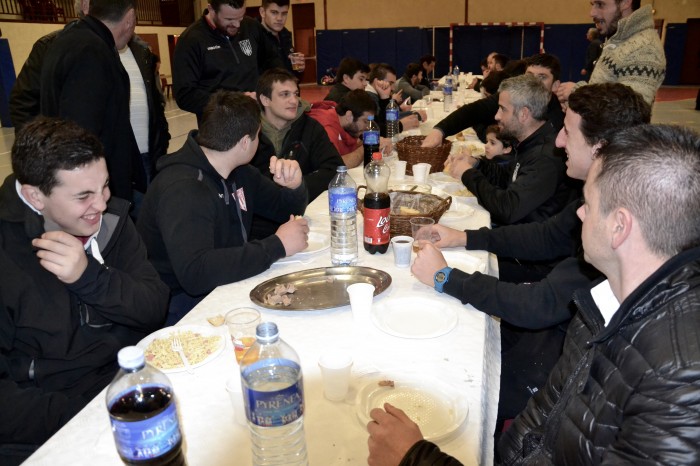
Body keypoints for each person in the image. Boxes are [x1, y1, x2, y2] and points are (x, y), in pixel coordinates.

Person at [371, 124, 700, 465]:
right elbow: (540, 424)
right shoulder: (605, 300)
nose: (579, 213)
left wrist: (414, 458)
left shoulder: (678, 383)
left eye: (588, 203)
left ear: (620, 226)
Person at [411, 82, 651, 433]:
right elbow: (548, 235)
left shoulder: (619, 218)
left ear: (599, 147)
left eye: (567, 133)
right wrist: (465, 237)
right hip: (563, 322)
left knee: (460, 387)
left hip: (572, 357)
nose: (558, 142)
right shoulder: (608, 192)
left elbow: (542, 301)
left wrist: (448, 278)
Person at [0, 117, 168, 465]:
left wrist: (89, 276)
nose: (102, 204)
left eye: (105, 186)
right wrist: (90, 416)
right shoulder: (7, 253)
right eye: (84, 196)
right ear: (35, 195)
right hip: (50, 425)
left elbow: (153, 306)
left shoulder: (109, 222)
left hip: (123, 387)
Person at [136, 91, 309, 324]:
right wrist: (276, 246)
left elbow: (284, 210)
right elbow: (196, 274)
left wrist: (294, 186)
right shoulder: (183, 189)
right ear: (245, 142)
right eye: (258, 135)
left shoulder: (239, 171)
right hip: (180, 307)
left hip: (226, 283)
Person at [39, 0, 142, 204]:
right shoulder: (91, 51)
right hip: (93, 191)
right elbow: (82, 133)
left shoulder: (72, 40)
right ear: (129, 18)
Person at [445, 74, 573, 226]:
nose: (497, 116)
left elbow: (507, 209)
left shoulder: (545, 157)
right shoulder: (529, 142)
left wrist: (468, 174)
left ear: (524, 114)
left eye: (502, 109)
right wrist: (476, 164)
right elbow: (506, 178)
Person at [423, 53, 565, 147]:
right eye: (529, 75)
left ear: (555, 85)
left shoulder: (558, 121)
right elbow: (474, 110)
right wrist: (440, 131)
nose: (533, 81)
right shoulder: (512, 95)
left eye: (541, 77)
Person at [172, 0, 283, 121]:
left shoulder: (251, 26)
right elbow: (185, 95)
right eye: (229, 19)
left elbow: (271, 61)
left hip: (257, 117)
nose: (237, 25)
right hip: (220, 126)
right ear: (211, 9)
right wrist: (234, 101)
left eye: (240, 18)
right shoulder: (190, 41)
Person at [251, 68, 344, 203]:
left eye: (295, 94)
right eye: (285, 94)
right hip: (259, 217)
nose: (294, 101)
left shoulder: (311, 127)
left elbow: (335, 170)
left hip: (304, 210)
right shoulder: (247, 132)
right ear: (265, 100)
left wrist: (297, 186)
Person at [556, 0, 665, 106]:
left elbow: (631, 113)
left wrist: (578, 93)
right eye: (593, 4)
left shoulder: (645, 48)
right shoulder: (618, 38)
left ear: (625, 3)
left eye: (600, 4)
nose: (592, 13)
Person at [9, 0, 88, 132]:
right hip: (68, 143)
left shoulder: (130, 46)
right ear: (86, 7)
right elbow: (23, 103)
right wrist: (42, 145)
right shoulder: (48, 46)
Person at [119, 35, 171, 214]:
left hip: (148, 154)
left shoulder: (141, 52)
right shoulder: (76, 48)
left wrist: (163, 136)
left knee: (149, 214)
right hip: (115, 157)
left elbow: (155, 100)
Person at [308, 89, 383, 168]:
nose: (368, 127)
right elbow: (336, 165)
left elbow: (350, 146)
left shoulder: (343, 123)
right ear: (349, 116)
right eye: (365, 121)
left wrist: (374, 142)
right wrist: (369, 146)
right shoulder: (326, 129)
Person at [364, 63, 423, 135]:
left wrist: (384, 97)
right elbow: (377, 128)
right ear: (377, 81)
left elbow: (385, 120)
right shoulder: (369, 97)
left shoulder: (378, 94)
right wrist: (401, 125)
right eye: (390, 83)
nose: (393, 88)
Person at [258, 0, 304, 76]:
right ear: (262, 12)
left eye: (284, 13)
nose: (279, 18)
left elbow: (293, 77)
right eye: (274, 12)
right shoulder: (254, 37)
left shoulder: (286, 36)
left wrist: (299, 69)